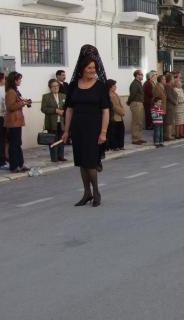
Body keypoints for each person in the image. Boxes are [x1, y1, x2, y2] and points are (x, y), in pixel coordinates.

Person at [62, 45, 110, 207]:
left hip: (94, 129)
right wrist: (66, 131)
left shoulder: (100, 87)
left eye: (94, 68)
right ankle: (86, 192)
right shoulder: (74, 86)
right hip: (78, 128)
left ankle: (96, 192)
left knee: (90, 162)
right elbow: (69, 109)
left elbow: (105, 111)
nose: (92, 71)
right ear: (82, 68)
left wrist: (103, 132)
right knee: (82, 162)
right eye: (89, 68)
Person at [4, 71, 32, 173]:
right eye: (19, 79)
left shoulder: (15, 91)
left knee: (17, 144)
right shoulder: (11, 92)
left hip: (17, 121)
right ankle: (14, 165)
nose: (20, 81)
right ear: (14, 80)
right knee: (14, 145)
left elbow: (17, 102)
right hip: (13, 122)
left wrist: (24, 101)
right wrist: (22, 103)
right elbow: (10, 107)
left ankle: (20, 164)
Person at [41, 79, 66, 162]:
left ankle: (61, 156)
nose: (56, 88)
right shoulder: (46, 96)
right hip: (51, 122)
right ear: (50, 88)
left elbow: (67, 108)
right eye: (54, 86)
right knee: (52, 140)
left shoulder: (63, 96)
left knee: (61, 139)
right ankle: (54, 158)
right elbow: (43, 109)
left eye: (57, 86)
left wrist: (63, 111)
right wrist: (55, 110)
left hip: (61, 122)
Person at [106, 79, 125, 151]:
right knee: (114, 132)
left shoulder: (115, 94)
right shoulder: (109, 95)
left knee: (121, 131)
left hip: (119, 116)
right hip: (114, 116)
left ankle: (120, 145)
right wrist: (122, 112)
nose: (115, 87)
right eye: (114, 86)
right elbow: (113, 106)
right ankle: (114, 146)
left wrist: (122, 110)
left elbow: (120, 104)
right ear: (110, 87)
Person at [127, 70, 145, 145]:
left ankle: (139, 137)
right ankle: (135, 139)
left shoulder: (139, 83)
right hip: (136, 103)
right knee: (136, 121)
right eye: (141, 74)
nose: (142, 76)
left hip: (140, 103)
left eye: (142, 74)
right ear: (137, 75)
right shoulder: (134, 84)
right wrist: (129, 102)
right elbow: (132, 94)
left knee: (140, 121)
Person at [164, 74, 178, 140]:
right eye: (172, 79)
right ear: (170, 80)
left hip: (172, 105)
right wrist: (175, 102)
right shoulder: (167, 86)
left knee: (171, 120)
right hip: (170, 105)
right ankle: (168, 135)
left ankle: (170, 134)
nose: (173, 81)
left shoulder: (170, 86)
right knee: (169, 121)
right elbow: (169, 96)